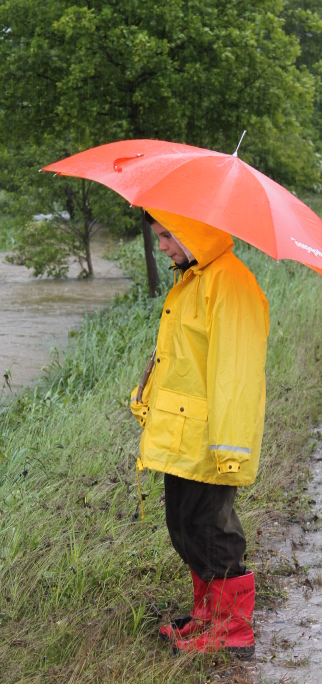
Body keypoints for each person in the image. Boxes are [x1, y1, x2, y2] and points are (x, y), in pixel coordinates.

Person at [130, 209, 269, 657]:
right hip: (184, 434)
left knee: (211, 529)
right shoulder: (192, 279)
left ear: (196, 229)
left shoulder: (230, 283)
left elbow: (236, 375)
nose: (163, 247)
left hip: (212, 439)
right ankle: (208, 616)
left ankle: (233, 632)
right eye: (159, 237)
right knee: (185, 526)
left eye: (169, 235)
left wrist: (228, 450)